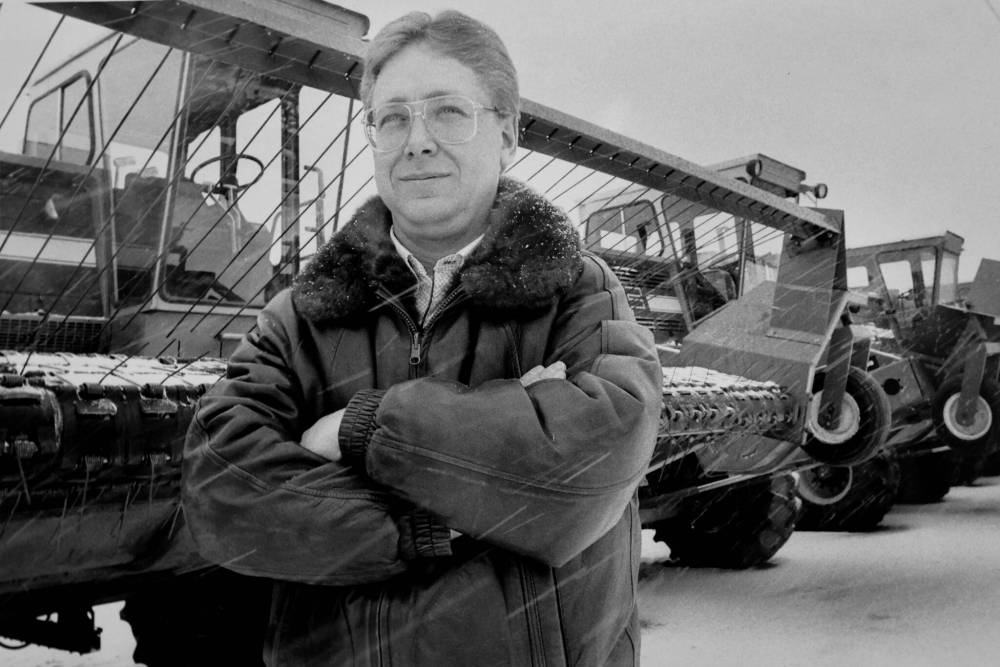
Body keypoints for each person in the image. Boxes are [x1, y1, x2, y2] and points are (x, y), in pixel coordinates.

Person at [182, 9, 662, 666]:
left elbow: (583, 472)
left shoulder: (578, 290)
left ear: (505, 132)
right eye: (394, 118)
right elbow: (221, 492)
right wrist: (433, 518)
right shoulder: (300, 317)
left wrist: (356, 427)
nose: (418, 141)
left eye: (447, 112)